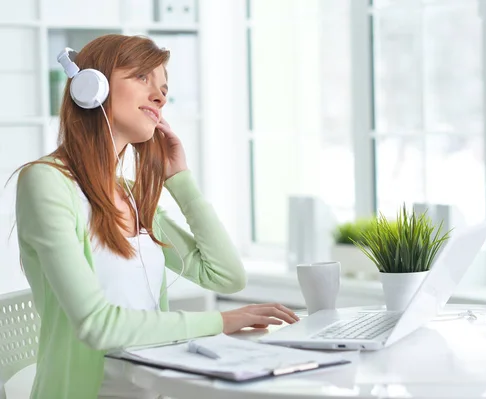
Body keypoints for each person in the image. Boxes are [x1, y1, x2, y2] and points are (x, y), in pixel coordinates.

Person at [12, 34, 299, 399]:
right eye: (143, 78)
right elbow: (96, 325)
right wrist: (221, 323)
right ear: (91, 86)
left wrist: (180, 181)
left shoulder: (132, 193)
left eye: (164, 87)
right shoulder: (46, 182)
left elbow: (227, 275)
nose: (160, 96)